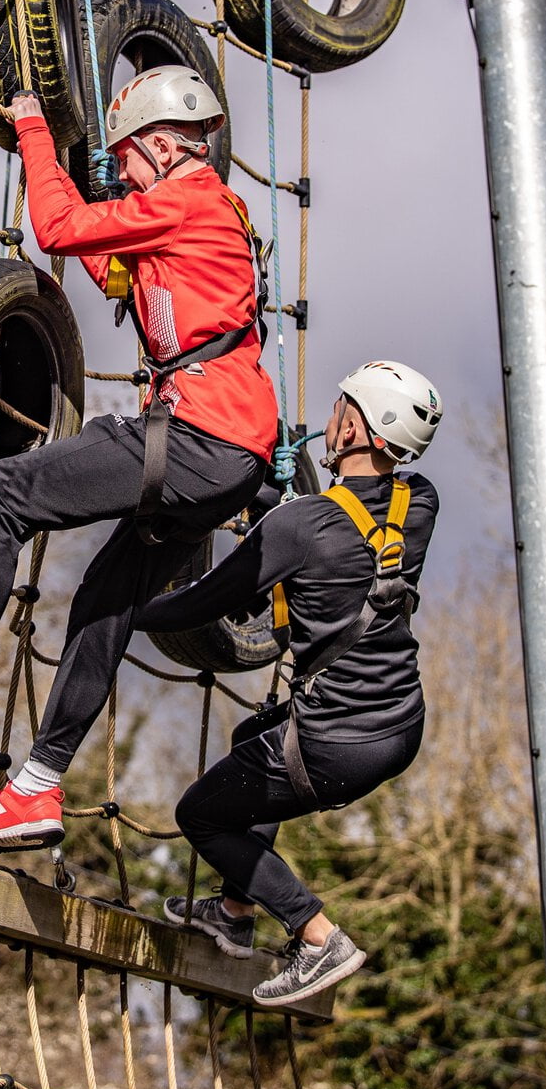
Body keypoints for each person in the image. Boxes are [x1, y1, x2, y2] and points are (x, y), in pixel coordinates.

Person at [0, 66, 279, 855]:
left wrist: (33, 131)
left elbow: (54, 231)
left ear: (161, 145)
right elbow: (108, 260)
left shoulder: (186, 202)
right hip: (229, 453)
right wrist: (94, 202)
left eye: (127, 157)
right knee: (104, 603)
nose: (121, 170)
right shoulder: (205, 211)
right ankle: (35, 787)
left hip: (199, 433)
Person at [142, 360, 442, 1007]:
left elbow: (205, 602)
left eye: (342, 407)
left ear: (358, 427)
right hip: (399, 721)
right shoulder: (419, 503)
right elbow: (343, 549)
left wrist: (127, 615)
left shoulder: (299, 528)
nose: (330, 419)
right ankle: (234, 911)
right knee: (255, 735)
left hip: (334, 742)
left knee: (201, 814)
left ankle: (316, 933)